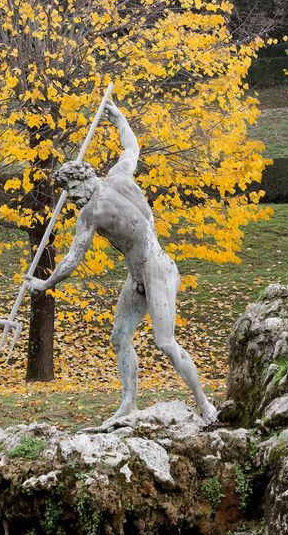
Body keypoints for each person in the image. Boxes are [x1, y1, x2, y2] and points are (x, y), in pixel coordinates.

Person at [26, 101, 218, 424]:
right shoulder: (118, 174)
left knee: (165, 342)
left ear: (85, 179)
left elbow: (73, 258)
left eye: (73, 190)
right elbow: (132, 146)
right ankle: (128, 402)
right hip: (138, 277)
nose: (72, 198)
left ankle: (205, 404)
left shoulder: (91, 213)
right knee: (119, 336)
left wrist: (44, 284)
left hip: (156, 268)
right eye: (68, 194)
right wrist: (119, 117)